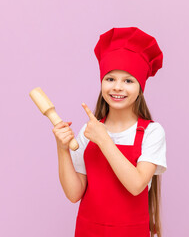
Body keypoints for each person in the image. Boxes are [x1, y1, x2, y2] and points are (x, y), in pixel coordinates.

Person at [52, 27, 167, 237]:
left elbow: (136, 185)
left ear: (140, 87)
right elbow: (73, 193)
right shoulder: (89, 131)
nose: (118, 87)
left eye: (128, 80)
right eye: (110, 78)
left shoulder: (152, 132)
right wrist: (62, 150)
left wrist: (104, 140)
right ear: (102, 82)